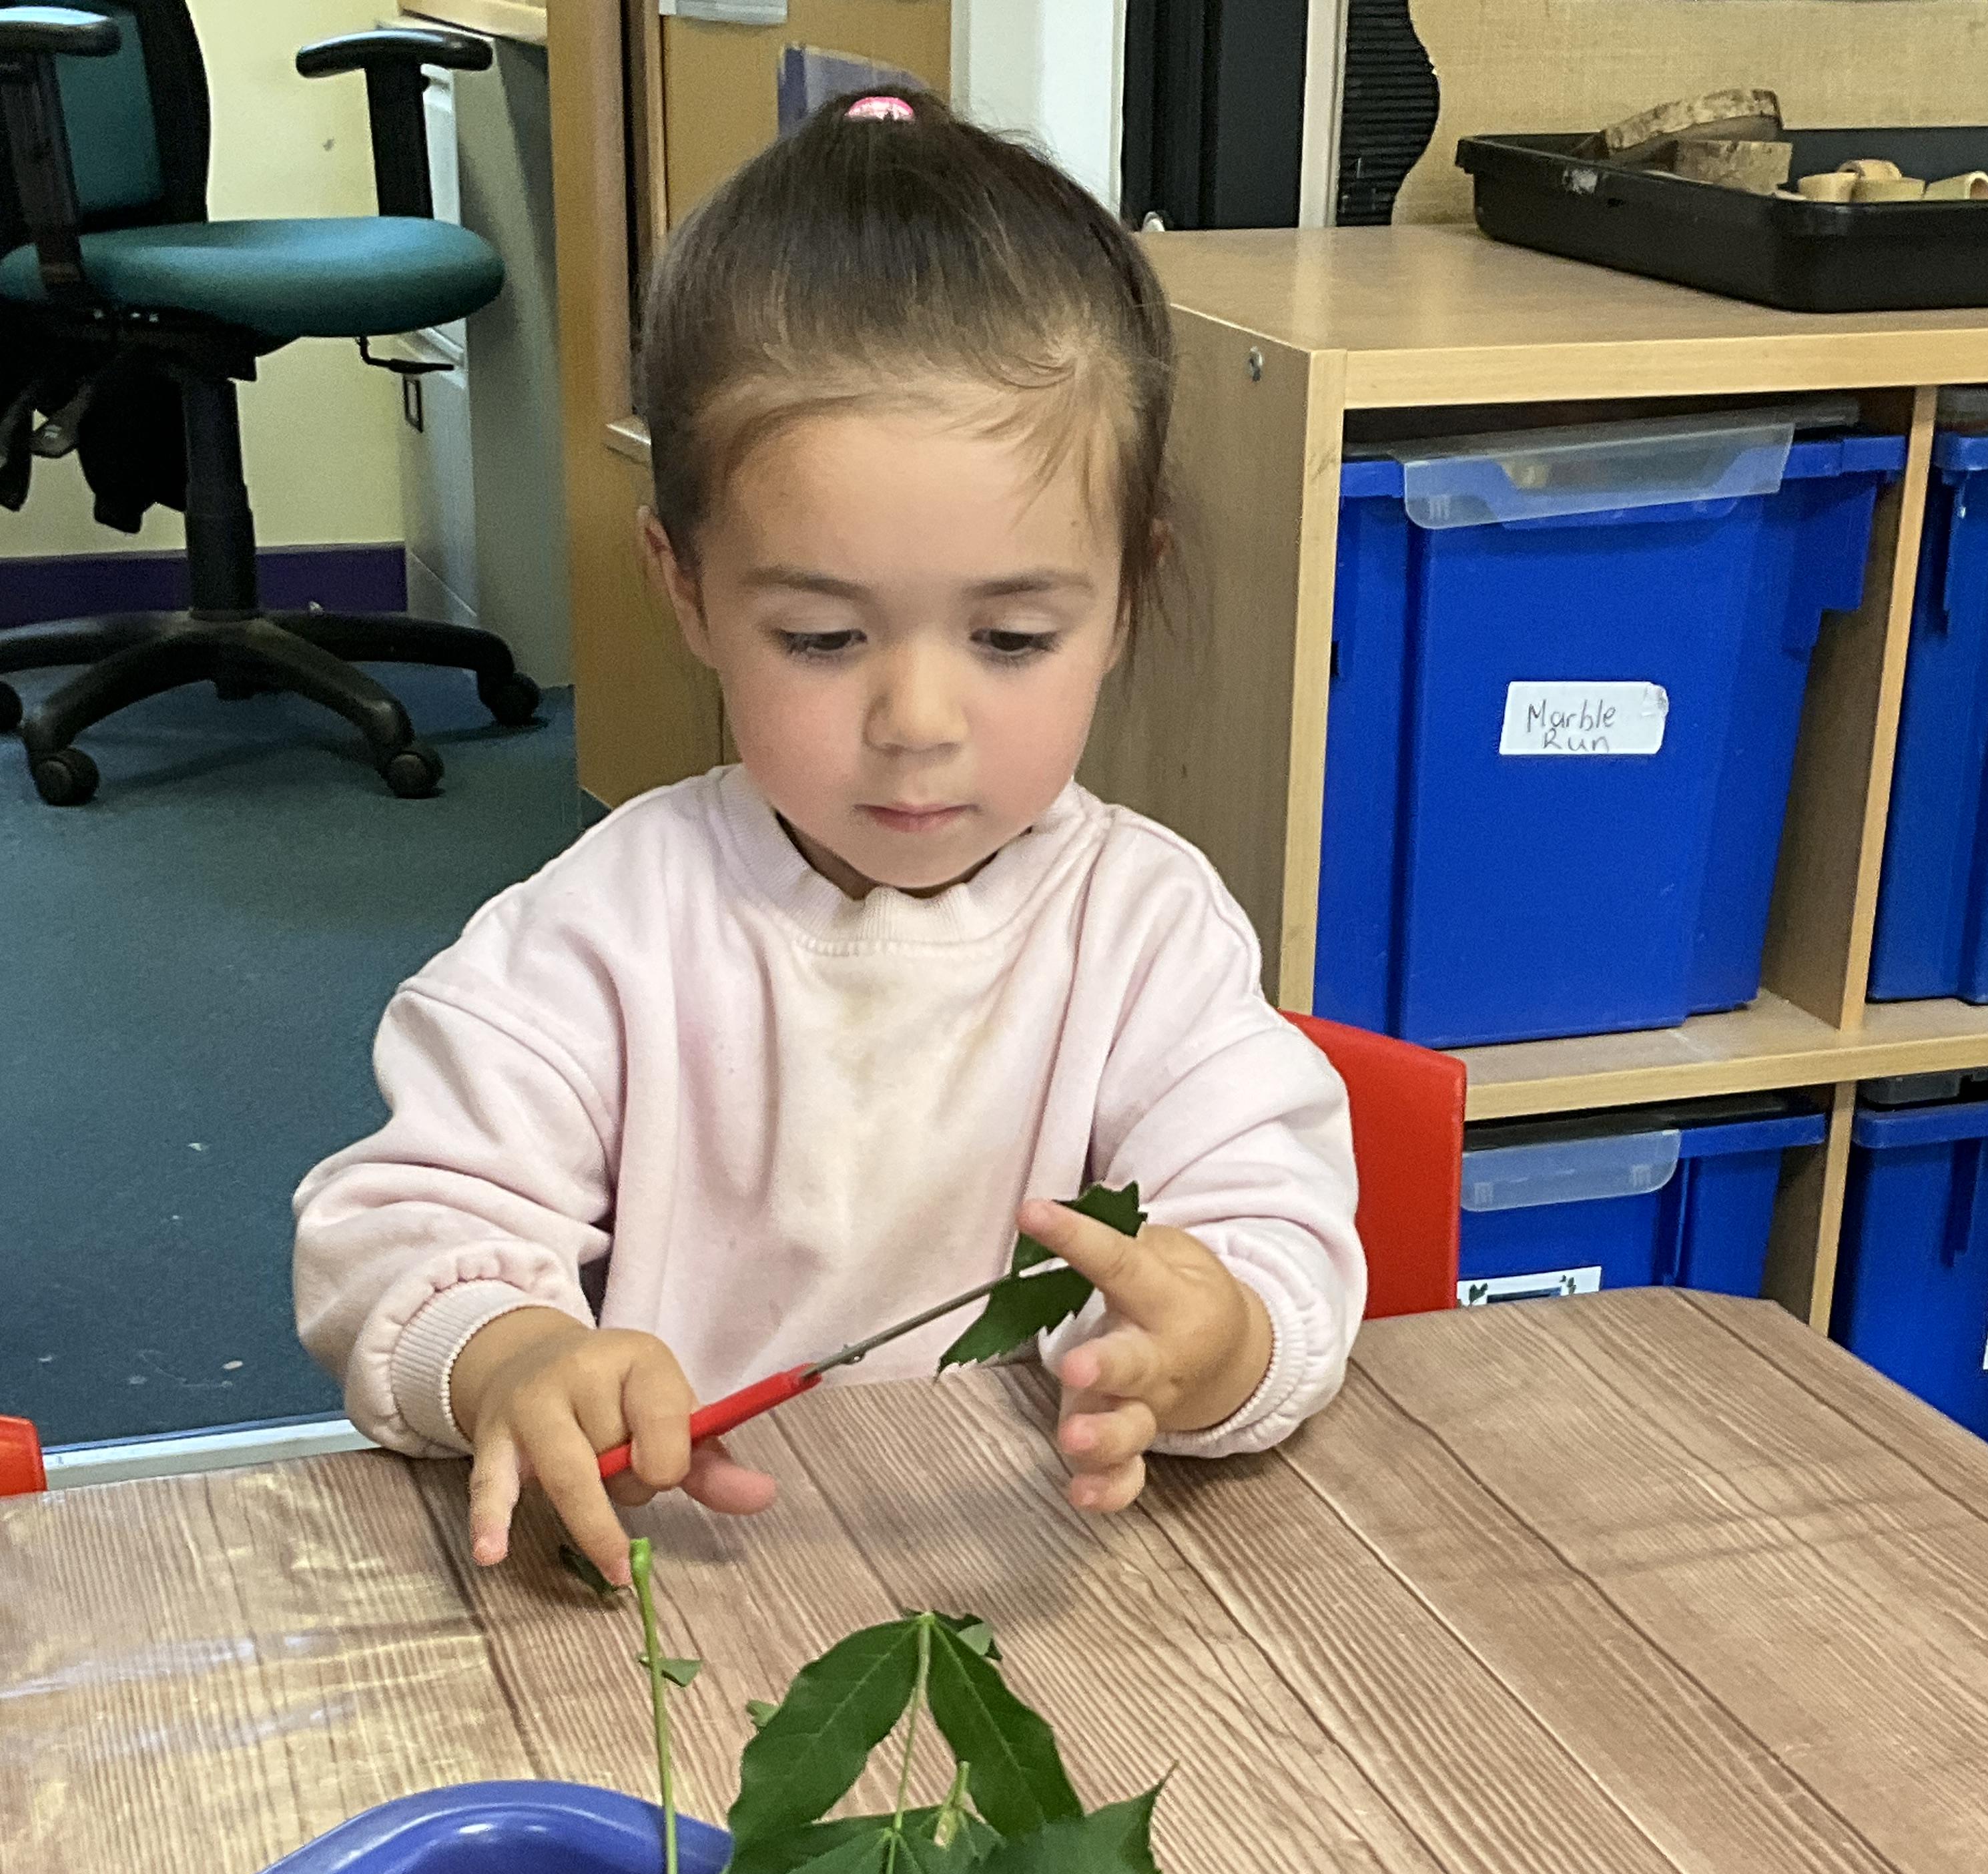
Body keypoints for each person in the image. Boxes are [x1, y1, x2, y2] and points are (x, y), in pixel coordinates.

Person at [294, 88, 1364, 1588]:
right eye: (818, 636)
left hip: (1024, 1590)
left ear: (1127, 594)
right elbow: (395, 1229)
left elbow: (1274, 1235)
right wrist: (510, 1353)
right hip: (669, 1588)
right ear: (686, 588)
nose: (916, 721)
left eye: (1010, 638)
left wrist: (1216, 1339)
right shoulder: (606, 928)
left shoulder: (1146, 932)